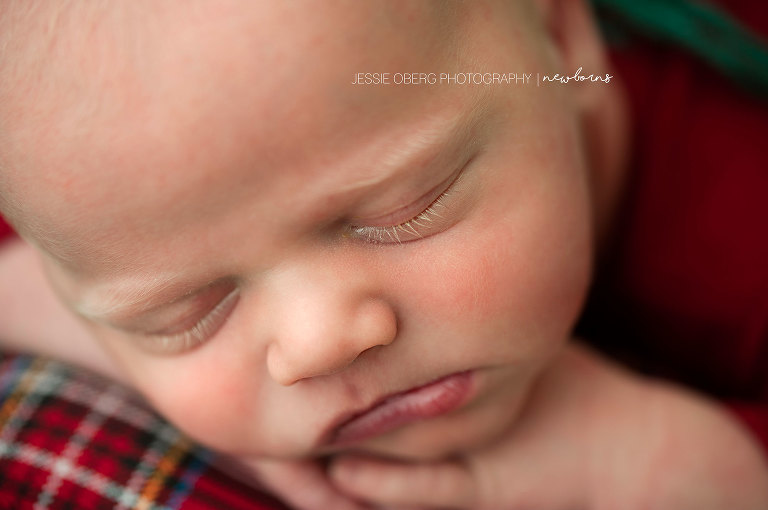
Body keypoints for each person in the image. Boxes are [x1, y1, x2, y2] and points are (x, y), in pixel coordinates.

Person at [1, 0, 767, 509]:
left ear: (561, 43)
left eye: (407, 209)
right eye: (185, 312)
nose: (318, 342)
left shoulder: (738, 213)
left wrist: (676, 464)